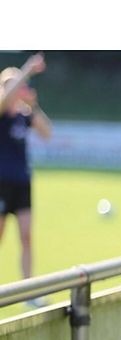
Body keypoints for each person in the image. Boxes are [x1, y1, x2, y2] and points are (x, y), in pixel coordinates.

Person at [0, 53, 51, 304]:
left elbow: (47, 133)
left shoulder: (23, 114)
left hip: (22, 183)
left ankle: (28, 292)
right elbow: (5, 99)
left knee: (26, 237)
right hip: (1, 184)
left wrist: (34, 105)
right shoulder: (1, 112)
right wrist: (27, 70)